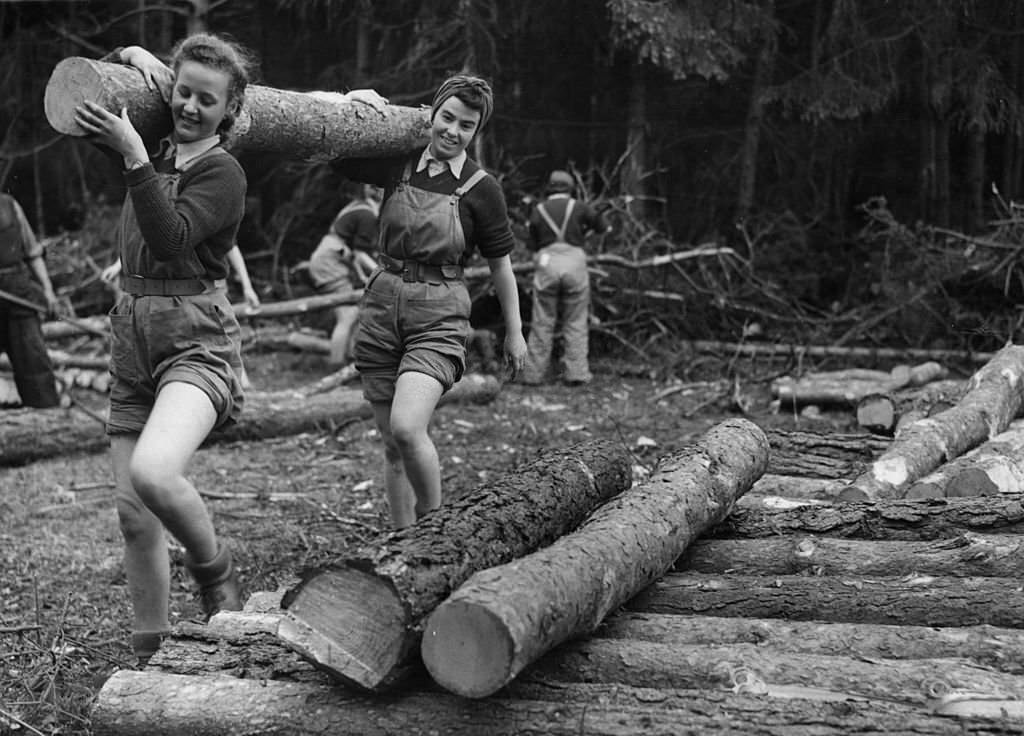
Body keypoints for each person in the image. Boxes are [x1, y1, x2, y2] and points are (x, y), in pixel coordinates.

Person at [72, 33, 260, 666]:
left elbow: (172, 238)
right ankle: (149, 652)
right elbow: (137, 63)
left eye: (207, 100)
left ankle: (217, 576)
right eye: (182, 92)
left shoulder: (222, 171)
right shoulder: (160, 148)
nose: (188, 107)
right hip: (131, 338)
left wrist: (132, 156)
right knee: (132, 514)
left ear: (229, 110)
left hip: (195, 339)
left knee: (154, 474)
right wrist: (139, 57)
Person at [336, 74, 528, 529]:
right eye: (447, 118)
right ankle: (401, 542)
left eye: (466, 125)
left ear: (475, 131)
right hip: (382, 306)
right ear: (432, 113)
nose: (452, 132)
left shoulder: (483, 189)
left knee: (407, 427)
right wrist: (351, 102)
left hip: (438, 314)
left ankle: (433, 532)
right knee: (390, 443)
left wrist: (515, 332)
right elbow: (336, 153)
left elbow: (501, 267)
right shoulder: (397, 163)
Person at [519, 169, 609, 386]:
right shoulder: (580, 208)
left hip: (547, 265)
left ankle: (533, 375)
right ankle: (576, 373)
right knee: (576, 321)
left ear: (549, 188)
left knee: (542, 321)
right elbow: (604, 228)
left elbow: (531, 244)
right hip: (574, 264)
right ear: (571, 189)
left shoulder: (538, 210)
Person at [307, 182, 383, 367]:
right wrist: (381, 273)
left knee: (354, 312)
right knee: (347, 315)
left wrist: (364, 275)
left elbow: (355, 253)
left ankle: (349, 360)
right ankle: (337, 365)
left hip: (332, 258)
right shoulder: (367, 214)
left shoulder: (360, 208)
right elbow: (360, 253)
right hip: (330, 261)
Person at [0, 193, 61, 408]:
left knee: (35, 366)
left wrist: (48, 291)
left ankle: (49, 422)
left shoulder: (9, 205)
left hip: (17, 292)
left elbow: (33, 252)